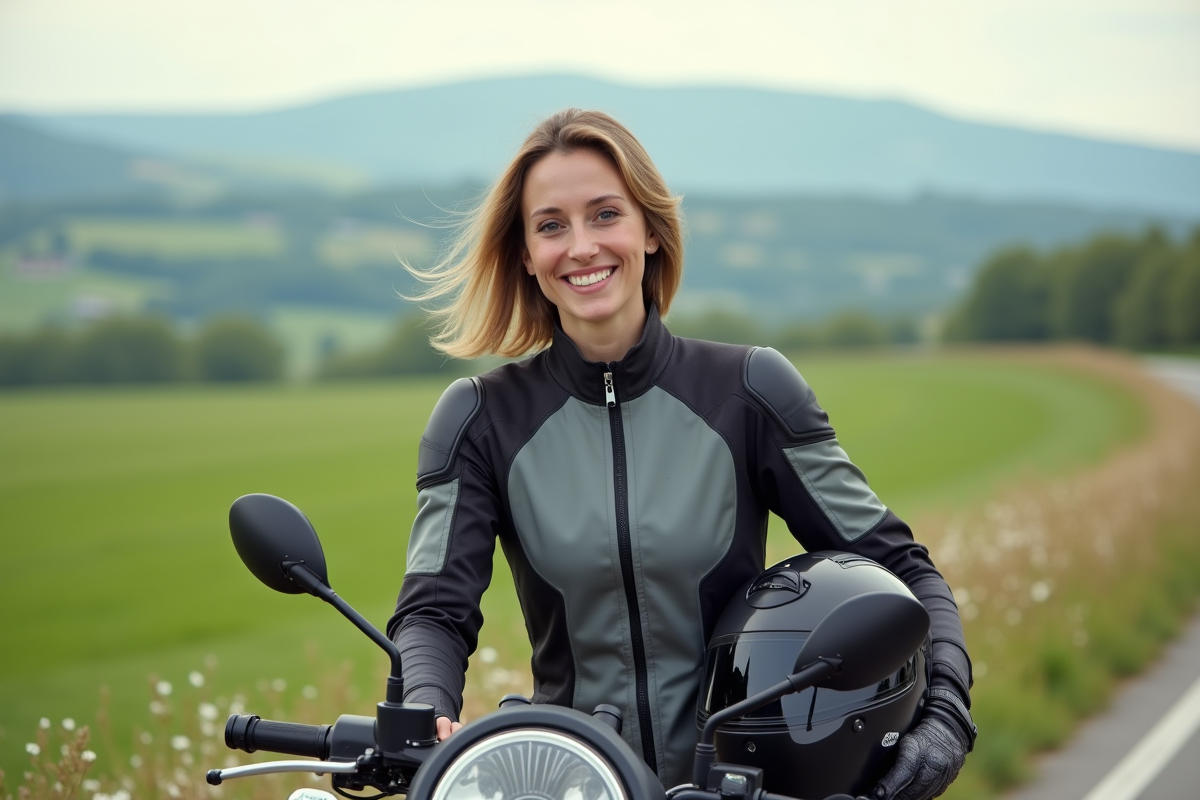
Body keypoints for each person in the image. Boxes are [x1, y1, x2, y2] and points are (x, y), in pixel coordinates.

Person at [386, 108, 975, 798]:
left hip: (743, 784)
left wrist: (944, 714)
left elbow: (899, 568)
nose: (581, 246)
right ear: (524, 253)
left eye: (606, 214)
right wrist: (427, 713)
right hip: (576, 783)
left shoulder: (750, 390)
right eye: (551, 225)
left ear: (652, 231)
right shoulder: (479, 419)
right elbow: (432, 611)